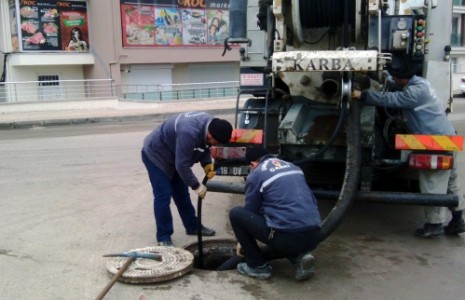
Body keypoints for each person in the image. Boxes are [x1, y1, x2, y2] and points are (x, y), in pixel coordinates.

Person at [352, 67, 465, 238]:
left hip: (435, 142)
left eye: (395, 78)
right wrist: (375, 74)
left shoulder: (414, 92)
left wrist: (363, 95)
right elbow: (392, 83)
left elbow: (392, 98)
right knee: (450, 181)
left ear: (402, 79)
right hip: (447, 137)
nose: (394, 80)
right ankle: (458, 220)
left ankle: (434, 225)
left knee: (432, 183)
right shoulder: (419, 82)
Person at [229, 146, 321, 280]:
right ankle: (299, 257)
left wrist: (242, 242)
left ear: (252, 164)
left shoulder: (256, 174)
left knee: (236, 214)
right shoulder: (294, 167)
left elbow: (249, 212)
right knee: (281, 222)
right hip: (315, 235)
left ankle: (257, 266)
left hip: (288, 238)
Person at [142, 112, 233, 246]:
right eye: (216, 142)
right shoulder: (189, 132)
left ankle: (192, 227)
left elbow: (205, 146)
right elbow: (182, 165)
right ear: (210, 134)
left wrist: (206, 163)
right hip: (156, 156)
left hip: (175, 155)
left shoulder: (212, 124)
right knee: (163, 195)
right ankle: (163, 236)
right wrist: (196, 185)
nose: (215, 145)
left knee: (182, 194)